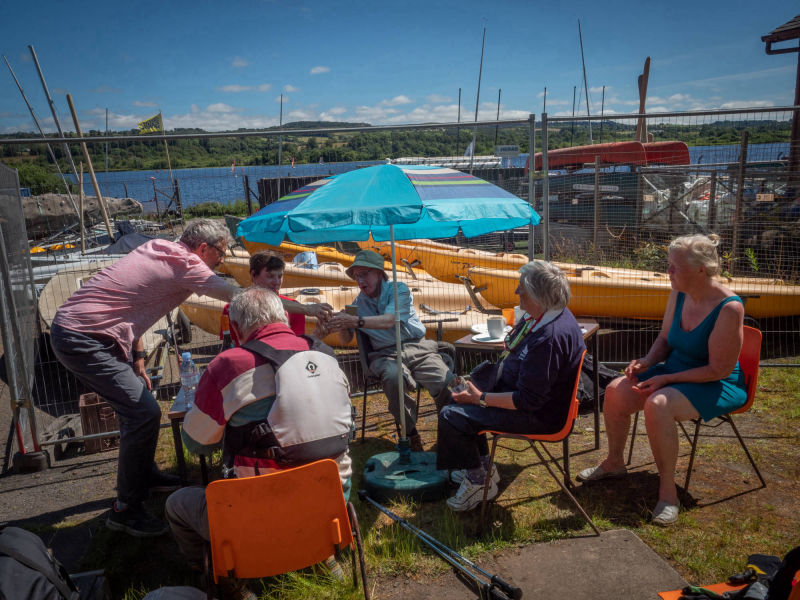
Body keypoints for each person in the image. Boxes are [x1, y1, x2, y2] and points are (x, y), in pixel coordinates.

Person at [50, 219, 238, 537]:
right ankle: (125, 510)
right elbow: (236, 295)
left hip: (84, 333)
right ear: (204, 248)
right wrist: (302, 307)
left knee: (139, 410)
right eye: (220, 254)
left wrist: (138, 357)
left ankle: (145, 476)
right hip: (83, 338)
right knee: (143, 413)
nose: (222, 261)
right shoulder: (187, 262)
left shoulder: (157, 248)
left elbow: (131, 304)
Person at [165, 287, 352, 570]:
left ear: (236, 329)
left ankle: (227, 579)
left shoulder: (228, 365)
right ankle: (320, 554)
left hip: (261, 517)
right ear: (284, 318)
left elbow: (195, 444)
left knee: (177, 504)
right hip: (332, 506)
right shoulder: (326, 354)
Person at [578, 233, 746, 526]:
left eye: (673, 266)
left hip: (715, 383)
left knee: (658, 404)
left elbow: (718, 370)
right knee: (617, 389)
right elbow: (666, 337)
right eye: (668, 264)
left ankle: (668, 494)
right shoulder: (679, 291)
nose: (667, 271)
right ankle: (615, 462)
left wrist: (666, 378)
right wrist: (647, 361)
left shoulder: (729, 308)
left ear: (700, 269)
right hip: (675, 371)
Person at [437, 260, 585, 512]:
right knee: (453, 394)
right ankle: (482, 468)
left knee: (452, 415)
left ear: (538, 296)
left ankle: (478, 480)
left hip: (541, 417)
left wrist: (480, 398)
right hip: (536, 402)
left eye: (521, 289)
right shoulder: (556, 315)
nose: (517, 293)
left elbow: (527, 401)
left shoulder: (548, 339)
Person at [324, 249, 454, 452]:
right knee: (394, 378)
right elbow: (346, 339)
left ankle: (450, 430)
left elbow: (389, 320)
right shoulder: (356, 305)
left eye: (364, 274)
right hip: (384, 355)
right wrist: (342, 323)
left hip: (418, 348)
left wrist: (356, 321)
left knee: (446, 381)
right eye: (357, 276)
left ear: (379, 273)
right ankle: (410, 433)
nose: (360, 280)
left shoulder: (399, 290)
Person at [220, 251, 333, 345]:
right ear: (253, 275)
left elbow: (296, 347)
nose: (277, 282)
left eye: (280, 276)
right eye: (270, 276)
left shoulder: (295, 308)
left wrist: (317, 336)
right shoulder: (231, 309)